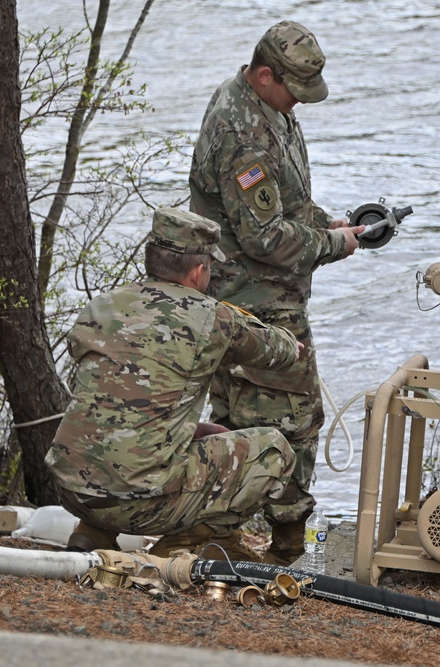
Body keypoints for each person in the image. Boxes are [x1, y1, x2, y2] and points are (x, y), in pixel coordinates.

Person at [188, 20, 365, 566]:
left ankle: (229, 532)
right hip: (252, 301)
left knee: (243, 413)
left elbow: (284, 200)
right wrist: (335, 245)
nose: (301, 104)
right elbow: (263, 237)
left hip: (267, 296)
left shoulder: (269, 108)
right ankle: (276, 544)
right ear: (265, 75)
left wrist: (328, 222)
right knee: (295, 417)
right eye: (294, 90)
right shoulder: (240, 131)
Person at [45, 207, 302, 559]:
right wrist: (294, 343)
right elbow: (279, 351)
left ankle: (92, 532)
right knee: (274, 450)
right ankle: (195, 542)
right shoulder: (212, 317)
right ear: (199, 270)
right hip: (141, 503)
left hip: (72, 492)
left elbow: (122, 396)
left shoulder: (101, 306)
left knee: (170, 437)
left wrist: (189, 429)